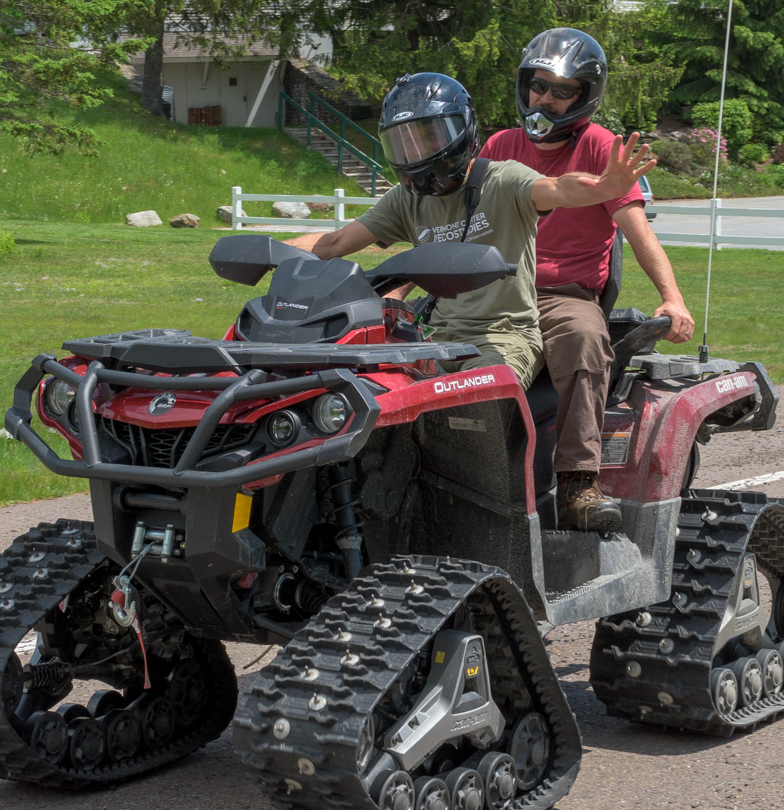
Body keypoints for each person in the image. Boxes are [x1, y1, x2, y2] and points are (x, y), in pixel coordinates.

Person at [285, 72, 654, 530]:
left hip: (505, 334)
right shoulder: (405, 200)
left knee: (470, 409)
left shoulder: (504, 179)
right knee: (369, 402)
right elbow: (335, 242)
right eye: (403, 143)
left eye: (428, 137)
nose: (416, 153)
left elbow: (559, 188)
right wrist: (272, 252)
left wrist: (602, 189)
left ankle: (526, 504)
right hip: (437, 335)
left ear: (461, 133)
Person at [478, 28, 695, 532]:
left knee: (584, 337)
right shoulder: (500, 145)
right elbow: (459, 225)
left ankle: (577, 484)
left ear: (584, 97)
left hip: (561, 295)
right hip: (494, 288)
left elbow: (638, 232)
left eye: (561, 90)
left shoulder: (601, 148)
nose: (544, 99)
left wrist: (673, 298)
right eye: (538, 86)